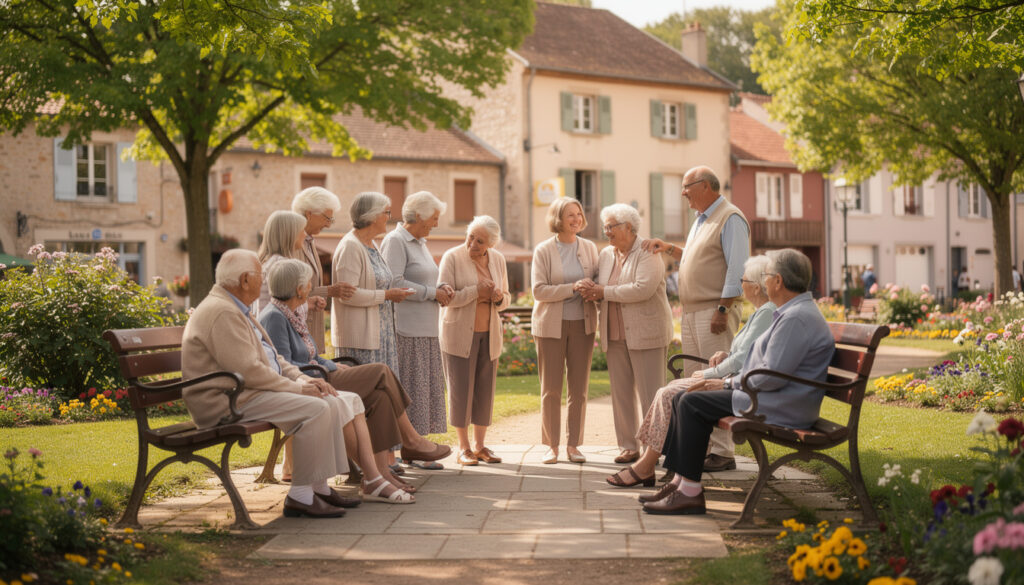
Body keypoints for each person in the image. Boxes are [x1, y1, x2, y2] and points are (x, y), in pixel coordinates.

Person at [642, 248, 834, 515]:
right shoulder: (792, 312)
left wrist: (727, 384)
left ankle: (689, 492)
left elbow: (769, 375)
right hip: (773, 396)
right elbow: (768, 369)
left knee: (690, 403)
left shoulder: (795, 318)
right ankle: (680, 484)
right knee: (682, 399)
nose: (764, 284)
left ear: (778, 281)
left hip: (781, 405)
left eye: (767, 277)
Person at [182, 249, 362, 517]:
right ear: (245, 280)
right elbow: (249, 370)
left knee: (330, 402)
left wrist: (302, 378)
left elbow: (274, 358)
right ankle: (300, 496)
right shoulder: (223, 312)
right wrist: (300, 388)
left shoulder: (235, 307)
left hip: (243, 393)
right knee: (316, 408)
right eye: (260, 276)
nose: (264, 282)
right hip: (225, 401)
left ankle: (318, 487)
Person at [259, 259, 450, 496]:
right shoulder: (274, 317)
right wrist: (329, 371)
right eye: (308, 282)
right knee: (381, 371)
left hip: (323, 374)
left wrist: (334, 367)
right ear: (299, 288)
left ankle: (380, 475)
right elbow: (285, 365)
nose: (311, 286)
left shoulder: (291, 312)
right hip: (314, 383)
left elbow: (313, 355)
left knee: (380, 397)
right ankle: (410, 440)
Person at [605, 255, 775, 488]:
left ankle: (646, 465)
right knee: (668, 391)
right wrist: (725, 356)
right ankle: (649, 463)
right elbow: (746, 353)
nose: (740, 284)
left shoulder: (766, 312)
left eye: (742, 279)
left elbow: (744, 359)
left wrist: (708, 375)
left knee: (669, 393)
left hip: (741, 386)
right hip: (737, 380)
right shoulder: (761, 312)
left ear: (755, 286)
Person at [643, 166, 750, 473]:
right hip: (695, 312)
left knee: (713, 377)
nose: (682, 193)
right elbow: (696, 256)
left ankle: (721, 452)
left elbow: (736, 268)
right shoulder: (703, 220)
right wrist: (669, 249)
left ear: (705, 186)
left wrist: (722, 309)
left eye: (686, 187)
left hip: (713, 311)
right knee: (694, 380)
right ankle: (699, 446)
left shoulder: (730, 218)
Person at [579, 203, 673, 465]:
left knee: (651, 394)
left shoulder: (648, 251)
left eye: (611, 226)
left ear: (629, 228)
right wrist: (589, 287)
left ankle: (654, 449)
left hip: (647, 332)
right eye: (605, 226)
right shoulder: (607, 254)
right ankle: (628, 446)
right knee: (621, 394)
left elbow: (641, 289)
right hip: (614, 332)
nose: (606, 231)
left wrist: (603, 292)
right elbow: (600, 286)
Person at [381, 191, 453, 469]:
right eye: (433, 218)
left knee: (422, 389)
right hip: (406, 328)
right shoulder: (396, 241)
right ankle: (409, 448)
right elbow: (395, 282)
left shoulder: (420, 242)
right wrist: (431, 293)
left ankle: (417, 449)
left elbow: (425, 280)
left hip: (425, 327)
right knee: (410, 388)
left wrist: (440, 289)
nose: (435, 224)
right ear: (420, 215)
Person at [531, 198, 599, 464]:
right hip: (550, 326)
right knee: (550, 389)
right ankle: (551, 445)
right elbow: (538, 290)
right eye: (571, 214)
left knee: (579, 389)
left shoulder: (591, 248)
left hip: (583, 324)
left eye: (579, 213)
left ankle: (573, 445)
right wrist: (571, 287)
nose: (577, 218)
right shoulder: (544, 250)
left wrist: (591, 288)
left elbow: (598, 282)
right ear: (558, 218)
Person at [438, 216, 511, 466]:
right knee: (460, 391)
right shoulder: (452, 257)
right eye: (471, 237)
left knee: (484, 391)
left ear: (490, 244)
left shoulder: (498, 260)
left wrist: (499, 296)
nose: (473, 244)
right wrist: (476, 292)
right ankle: (463, 448)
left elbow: (506, 299)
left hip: (489, 335)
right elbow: (445, 297)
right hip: (459, 334)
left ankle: (480, 447)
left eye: (480, 241)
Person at [331, 192, 414, 370]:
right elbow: (348, 295)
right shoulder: (350, 246)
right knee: (367, 394)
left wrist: (390, 294)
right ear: (372, 216)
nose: (388, 218)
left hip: (380, 335)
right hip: (361, 339)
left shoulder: (371, 244)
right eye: (386, 213)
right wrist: (387, 295)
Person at [291, 187, 356, 355]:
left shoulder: (309, 241)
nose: (329, 224)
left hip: (310, 329)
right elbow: (291, 291)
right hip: (297, 333)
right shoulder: (293, 242)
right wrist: (330, 290)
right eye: (327, 218)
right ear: (309, 213)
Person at [255, 210, 307, 315]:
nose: (305, 235)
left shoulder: (269, 263)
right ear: (290, 234)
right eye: (302, 230)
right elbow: (289, 309)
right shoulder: (282, 266)